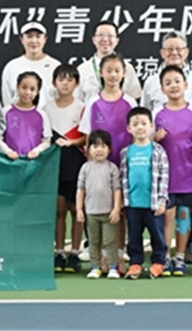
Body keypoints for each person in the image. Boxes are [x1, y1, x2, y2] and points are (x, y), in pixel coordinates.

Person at [140, 30, 192, 264]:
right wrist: (153, 138)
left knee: (187, 212)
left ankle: (187, 251)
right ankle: (163, 254)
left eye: (179, 48)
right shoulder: (151, 83)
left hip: (190, 160)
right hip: (163, 163)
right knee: (165, 212)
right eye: (169, 49)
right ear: (162, 52)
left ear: (186, 51)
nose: (174, 52)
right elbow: (145, 117)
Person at [78, 53, 137, 270]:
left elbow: (135, 135)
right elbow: (88, 137)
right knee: (101, 211)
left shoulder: (129, 102)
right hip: (99, 167)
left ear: (124, 74)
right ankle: (102, 255)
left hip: (124, 165)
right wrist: (92, 165)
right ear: (101, 73)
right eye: (108, 70)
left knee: (119, 210)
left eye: (117, 71)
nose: (113, 75)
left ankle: (118, 255)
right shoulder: (93, 102)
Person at [152, 66, 192, 277]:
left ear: (186, 85)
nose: (173, 86)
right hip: (164, 177)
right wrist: (155, 138)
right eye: (168, 83)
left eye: (177, 81)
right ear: (162, 89)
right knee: (167, 217)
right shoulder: (157, 113)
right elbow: (147, 140)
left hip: (188, 175)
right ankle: (165, 257)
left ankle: (180, 257)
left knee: (184, 216)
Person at [43, 64, 86, 274]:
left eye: (70, 80)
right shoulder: (46, 109)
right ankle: (59, 252)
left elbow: (87, 136)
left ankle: (75, 253)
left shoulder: (82, 108)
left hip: (76, 163)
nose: (65, 84)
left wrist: (71, 142)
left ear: (76, 83)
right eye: (61, 79)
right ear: (54, 83)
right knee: (59, 209)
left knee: (77, 209)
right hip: (55, 165)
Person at [120, 107, 169, 280]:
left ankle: (159, 262)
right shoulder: (125, 152)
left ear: (151, 126)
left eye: (143, 123)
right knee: (134, 236)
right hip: (133, 204)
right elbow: (123, 177)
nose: (140, 127)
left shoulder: (158, 151)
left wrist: (161, 201)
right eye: (135, 124)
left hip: (153, 204)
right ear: (129, 128)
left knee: (157, 235)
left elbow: (164, 177)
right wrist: (123, 201)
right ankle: (135, 264)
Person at [76, 130, 123, 280]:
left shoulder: (112, 168)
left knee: (110, 241)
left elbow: (117, 190)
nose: (99, 150)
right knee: (94, 241)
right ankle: (95, 267)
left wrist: (116, 208)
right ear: (88, 149)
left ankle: (113, 267)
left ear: (109, 149)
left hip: (108, 213)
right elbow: (80, 190)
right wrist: (79, 209)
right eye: (95, 146)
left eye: (103, 146)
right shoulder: (85, 168)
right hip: (91, 213)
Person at [76, 21, 142, 102]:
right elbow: (78, 101)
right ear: (94, 39)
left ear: (117, 40)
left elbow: (134, 98)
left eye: (110, 36)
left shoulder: (127, 68)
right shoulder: (82, 69)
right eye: (100, 35)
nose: (105, 39)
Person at [0, 22, 61, 109]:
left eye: (38, 36)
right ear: (22, 39)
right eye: (29, 36)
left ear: (45, 39)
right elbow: (7, 100)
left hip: (49, 116)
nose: (34, 41)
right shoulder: (11, 67)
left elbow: (60, 98)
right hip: (18, 116)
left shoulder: (55, 66)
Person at [0, 72, 52, 159]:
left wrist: (37, 151)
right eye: (24, 87)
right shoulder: (6, 112)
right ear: (17, 86)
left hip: (33, 163)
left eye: (32, 89)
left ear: (37, 92)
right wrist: (7, 151)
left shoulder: (42, 115)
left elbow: (47, 141)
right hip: (9, 162)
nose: (27, 92)